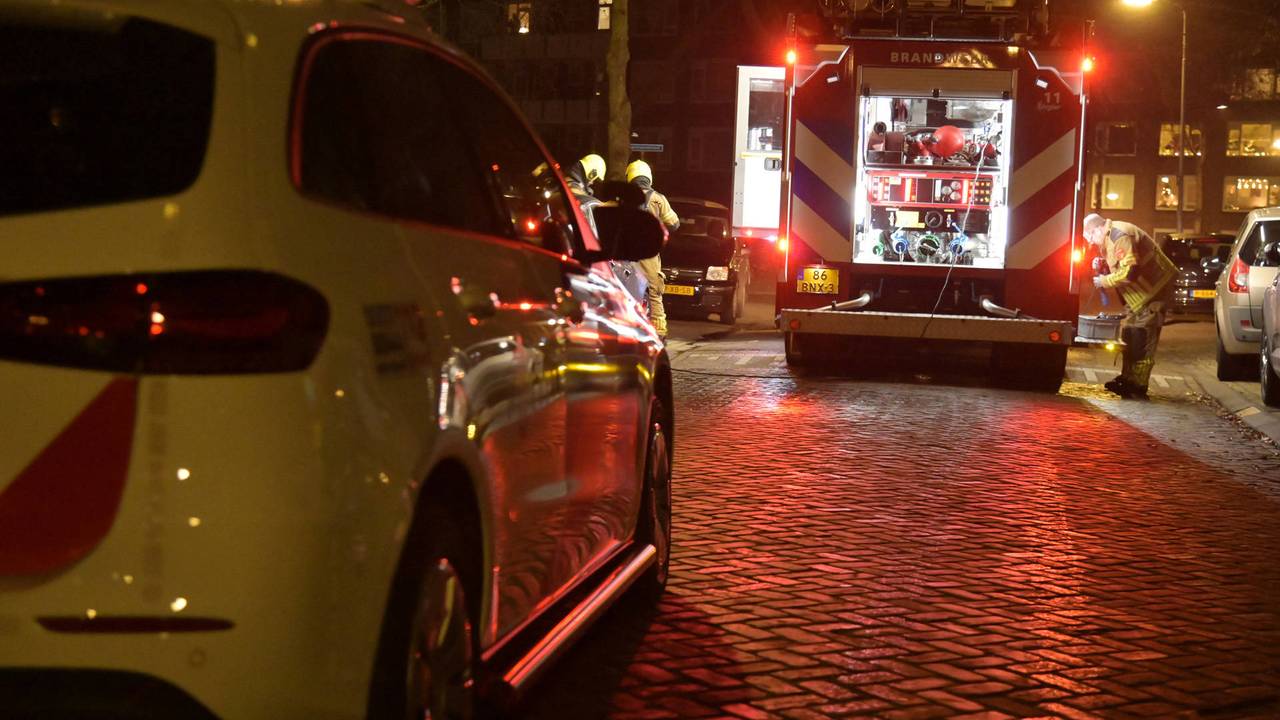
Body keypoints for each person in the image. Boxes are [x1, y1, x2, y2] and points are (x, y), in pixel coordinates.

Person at [1082, 213, 1178, 398]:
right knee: (1130, 334)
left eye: (1091, 238)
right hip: (1140, 295)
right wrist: (1103, 264)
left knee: (1143, 336)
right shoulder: (1111, 238)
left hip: (1153, 291)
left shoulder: (1120, 235)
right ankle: (1127, 378)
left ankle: (1138, 385)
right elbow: (1122, 262)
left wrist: (1105, 281)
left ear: (1097, 229)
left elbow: (1129, 272)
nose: (1092, 243)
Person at [626, 160, 679, 339]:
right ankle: (659, 333)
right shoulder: (658, 199)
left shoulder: (621, 198)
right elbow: (674, 224)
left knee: (623, 291)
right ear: (648, 177)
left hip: (623, 254)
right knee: (655, 293)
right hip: (648, 255)